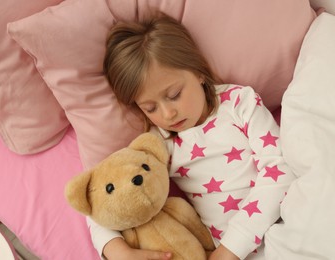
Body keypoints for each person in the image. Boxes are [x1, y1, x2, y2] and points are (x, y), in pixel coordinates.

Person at [88, 12, 296, 260]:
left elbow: (279, 170)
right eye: (150, 108)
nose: (168, 113)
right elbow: (102, 199)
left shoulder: (239, 102)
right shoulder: (159, 143)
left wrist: (230, 249)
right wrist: (116, 250)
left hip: (285, 224)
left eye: (174, 94)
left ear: (198, 72)